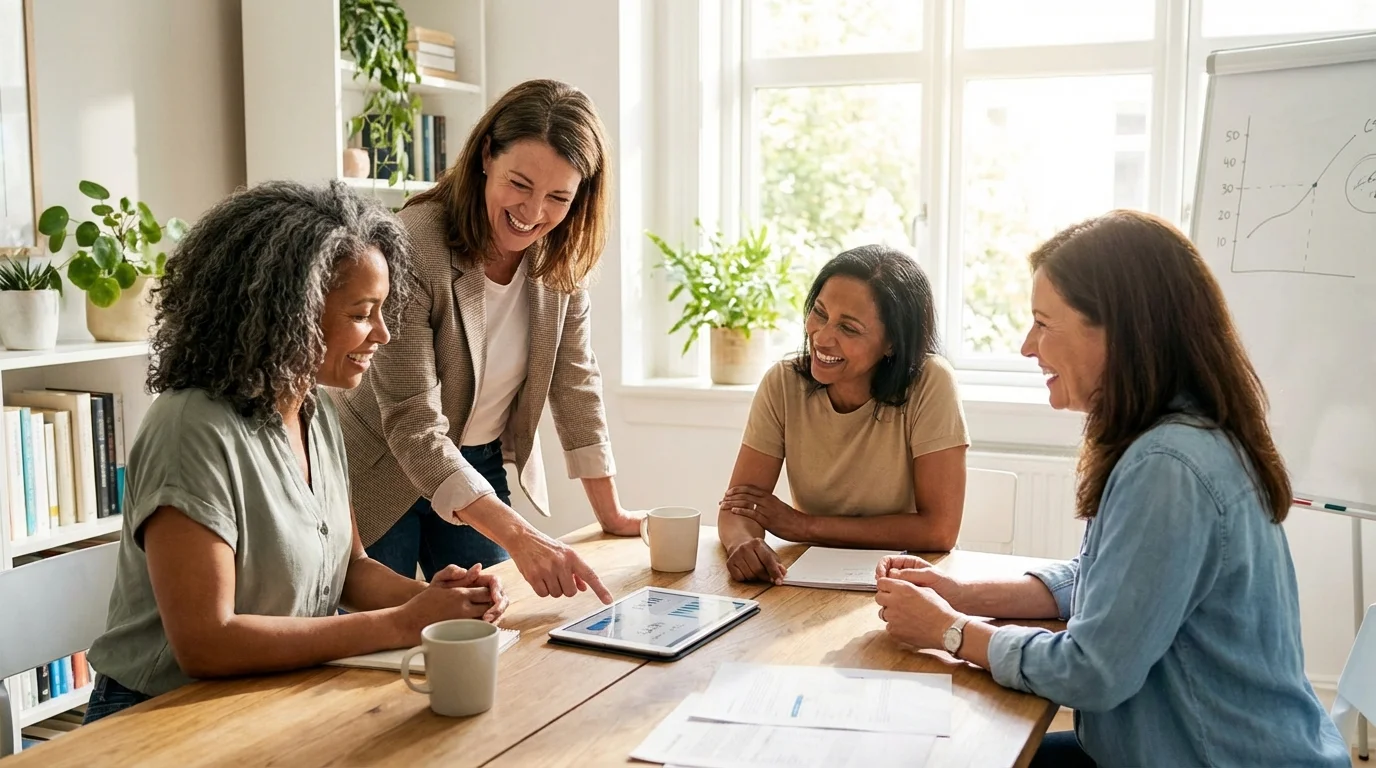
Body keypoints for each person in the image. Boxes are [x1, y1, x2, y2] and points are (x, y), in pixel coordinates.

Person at [872, 210, 1349, 767]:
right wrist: (959, 594)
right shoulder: (1174, 436)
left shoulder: (1168, 466)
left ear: (1118, 332)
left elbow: (1092, 673)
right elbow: (1102, 579)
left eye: (1043, 323)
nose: (1027, 346)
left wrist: (949, 632)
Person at [84, 181, 507, 723]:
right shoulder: (190, 429)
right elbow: (207, 643)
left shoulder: (315, 408)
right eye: (362, 313)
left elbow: (350, 569)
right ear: (290, 312)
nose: (382, 333)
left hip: (269, 698)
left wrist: (436, 601)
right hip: (158, 716)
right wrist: (402, 623)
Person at [332, 79, 641, 604]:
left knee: (494, 620)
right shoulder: (414, 244)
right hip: (382, 466)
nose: (534, 212)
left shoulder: (559, 257)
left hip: (476, 459)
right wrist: (522, 536)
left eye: (559, 197)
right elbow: (412, 421)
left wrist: (609, 512)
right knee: (386, 636)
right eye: (520, 184)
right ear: (485, 157)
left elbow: (575, 381)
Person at [717, 245, 970, 584]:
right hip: (811, 579)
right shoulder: (783, 383)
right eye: (820, 313)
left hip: (908, 580)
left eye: (848, 328)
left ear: (892, 343)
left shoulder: (931, 382)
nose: (822, 337)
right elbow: (739, 506)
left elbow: (939, 531)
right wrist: (743, 543)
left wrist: (804, 526)